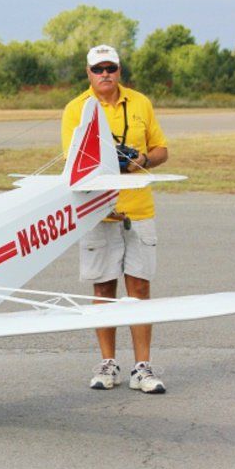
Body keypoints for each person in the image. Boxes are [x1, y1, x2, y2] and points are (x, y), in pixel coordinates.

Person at [61, 45, 169, 394]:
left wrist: (142, 160)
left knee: (139, 288)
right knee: (104, 289)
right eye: (98, 69)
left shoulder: (140, 103)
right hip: (98, 213)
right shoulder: (76, 109)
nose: (105, 74)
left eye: (111, 67)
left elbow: (162, 150)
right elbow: (72, 162)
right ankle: (108, 364)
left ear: (119, 70)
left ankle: (143, 367)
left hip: (138, 209)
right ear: (88, 73)